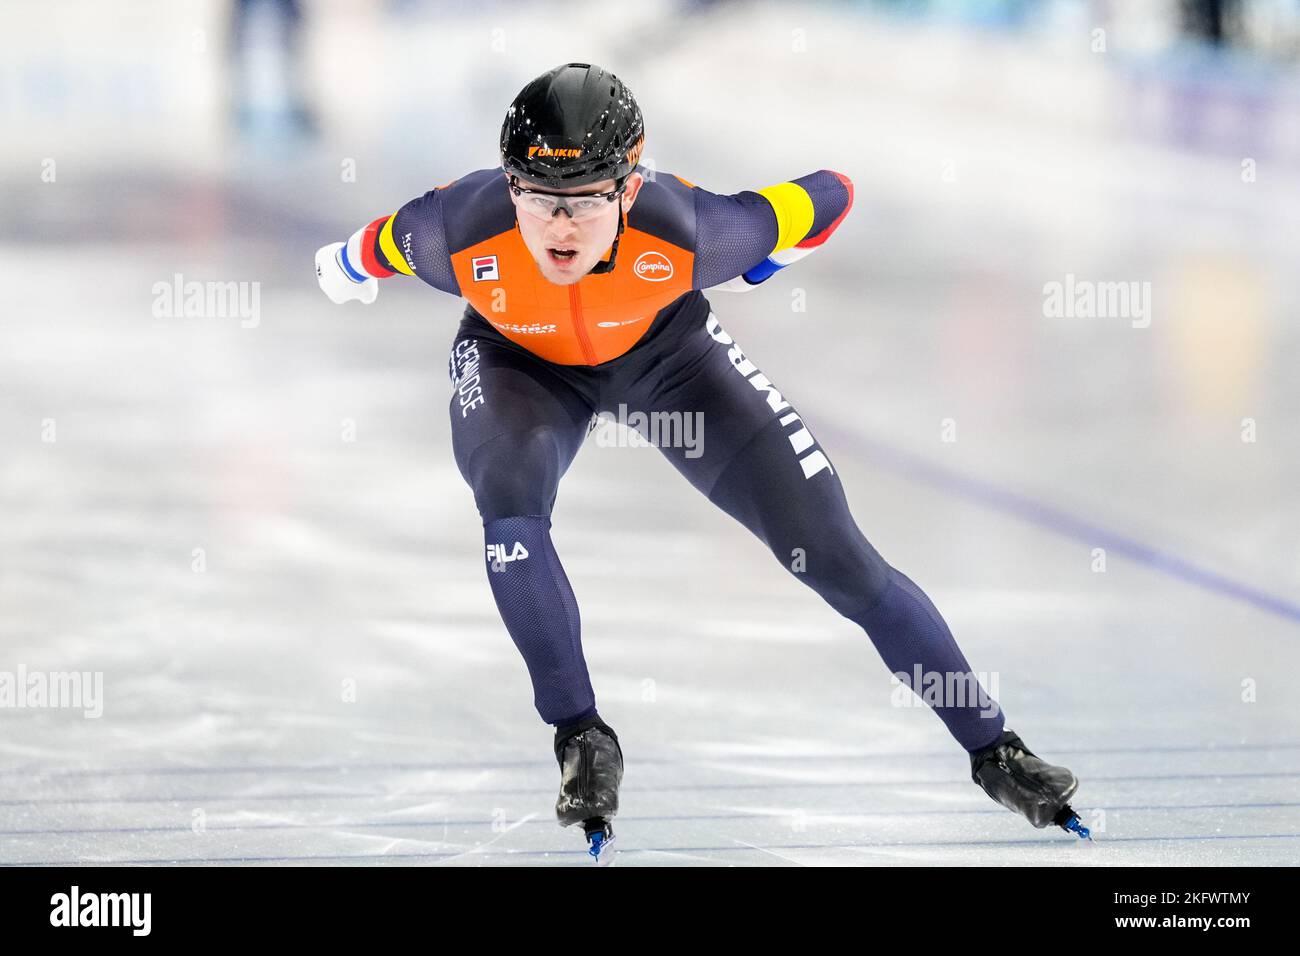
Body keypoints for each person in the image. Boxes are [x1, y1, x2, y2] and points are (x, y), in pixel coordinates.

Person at [316, 62, 1089, 860]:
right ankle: (582, 736)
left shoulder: (693, 230)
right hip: (521, 366)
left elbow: (833, 193)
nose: (559, 227)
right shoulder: (454, 231)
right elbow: (375, 247)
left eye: (585, 200)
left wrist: (767, 263)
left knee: (835, 556)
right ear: (510, 187)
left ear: (628, 188)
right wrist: (344, 267)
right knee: (508, 502)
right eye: (540, 198)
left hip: (670, 359)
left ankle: (995, 749)